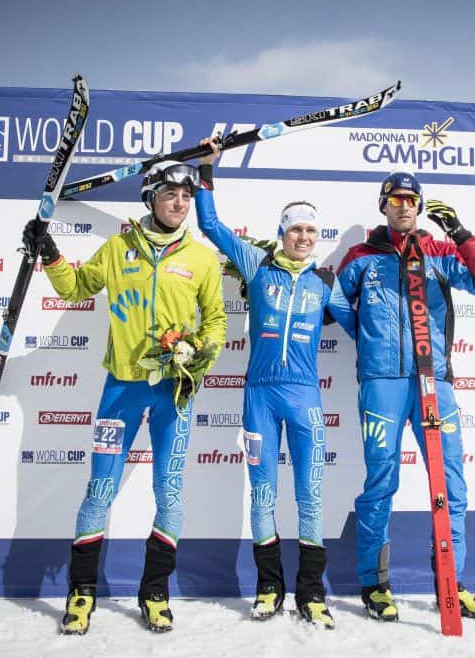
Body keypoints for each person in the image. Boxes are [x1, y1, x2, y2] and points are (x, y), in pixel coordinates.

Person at [23, 156, 227, 634]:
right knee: (99, 489)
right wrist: (49, 253)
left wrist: (200, 355)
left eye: (186, 196)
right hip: (122, 390)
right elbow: (74, 289)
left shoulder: (200, 259)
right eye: (170, 194)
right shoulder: (118, 249)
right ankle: (81, 592)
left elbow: (215, 321)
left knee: (169, 493)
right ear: (150, 197)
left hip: (175, 394)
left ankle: (155, 591)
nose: (179, 203)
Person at [194, 137, 354, 629]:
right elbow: (211, 226)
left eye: (311, 230)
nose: (305, 237)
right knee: (262, 494)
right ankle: (269, 589)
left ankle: (310, 594)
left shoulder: (325, 284)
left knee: (310, 495)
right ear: (282, 233)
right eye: (296, 229)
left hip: (304, 399)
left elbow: (362, 329)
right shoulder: (256, 266)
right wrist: (206, 171)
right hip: (258, 396)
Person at [337, 171, 475, 622]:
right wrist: (367, 337)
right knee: (381, 484)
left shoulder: (440, 252)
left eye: (412, 199)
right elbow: (333, 305)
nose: (404, 206)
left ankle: (453, 581)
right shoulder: (361, 256)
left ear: (419, 206)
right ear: (383, 205)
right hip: (382, 384)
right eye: (396, 199)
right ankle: (375, 583)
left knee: (451, 485)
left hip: (435, 382)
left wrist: (462, 235)